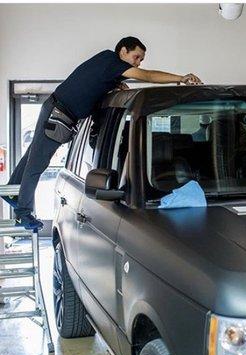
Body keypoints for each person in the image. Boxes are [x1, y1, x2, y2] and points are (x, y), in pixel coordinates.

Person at [4, 37, 202, 230]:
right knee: (37, 163)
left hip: (55, 110)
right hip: (59, 114)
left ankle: (12, 191)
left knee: (33, 155)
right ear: (123, 51)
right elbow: (148, 75)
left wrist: (114, 85)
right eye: (136, 57)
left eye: (141, 60)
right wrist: (181, 78)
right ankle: (23, 213)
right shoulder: (111, 61)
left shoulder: (108, 68)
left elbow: (93, 85)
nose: (139, 63)